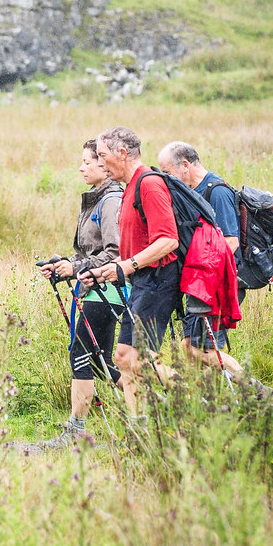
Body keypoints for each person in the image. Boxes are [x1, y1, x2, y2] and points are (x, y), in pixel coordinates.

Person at [78, 126, 179, 420]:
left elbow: (168, 240)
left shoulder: (148, 184)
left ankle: (198, 396)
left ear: (122, 154)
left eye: (102, 155)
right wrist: (110, 270)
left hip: (159, 281)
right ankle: (138, 427)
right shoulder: (131, 187)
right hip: (141, 281)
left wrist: (128, 265)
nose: (99, 162)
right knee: (124, 358)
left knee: (135, 359)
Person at [38, 140, 124, 448]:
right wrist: (63, 265)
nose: (81, 167)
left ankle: (76, 431)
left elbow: (115, 253)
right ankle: (156, 406)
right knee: (102, 364)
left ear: (104, 165)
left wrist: (74, 268)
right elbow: (90, 251)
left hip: (109, 290)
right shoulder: (96, 199)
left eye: (87, 162)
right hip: (93, 288)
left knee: (81, 354)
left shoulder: (112, 200)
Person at [156, 142, 249, 380]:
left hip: (216, 284)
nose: (164, 179)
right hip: (199, 284)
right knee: (190, 348)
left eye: (166, 172)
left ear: (184, 166)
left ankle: (256, 391)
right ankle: (214, 398)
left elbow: (231, 242)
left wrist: (200, 270)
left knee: (201, 349)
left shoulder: (216, 191)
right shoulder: (191, 192)